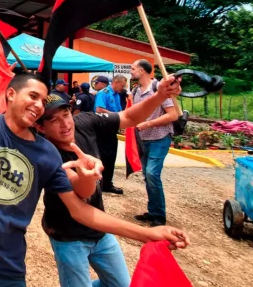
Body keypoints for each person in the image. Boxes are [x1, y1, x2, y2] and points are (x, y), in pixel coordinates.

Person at [0, 0, 188, 286]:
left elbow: (82, 209)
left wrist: (148, 233)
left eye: (43, 101)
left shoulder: (45, 153)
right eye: (32, 95)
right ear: (9, 95)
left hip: (9, 267)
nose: (37, 104)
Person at [38, 80, 184, 286]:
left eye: (66, 114)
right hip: (68, 236)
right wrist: (146, 233)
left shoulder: (85, 122)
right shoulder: (46, 154)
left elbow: (129, 116)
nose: (65, 124)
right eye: (53, 120)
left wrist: (160, 95)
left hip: (100, 232)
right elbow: (81, 203)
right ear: (41, 127)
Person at [130, 59, 179, 227]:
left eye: (133, 68)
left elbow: (173, 115)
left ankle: (159, 217)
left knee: (152, 174)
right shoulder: (136, 91)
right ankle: (152, 212)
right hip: (143, 139)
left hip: (159, 137)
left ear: (142, 71)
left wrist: (148, 123)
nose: (131, 71)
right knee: (147, 176)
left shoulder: (159, 89)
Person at [94, 75, 126, 195]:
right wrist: (116, 117)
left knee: (111, 158)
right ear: (116, 82)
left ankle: (107, 183)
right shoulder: (104, 93)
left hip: (112, 130)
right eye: (122, 85)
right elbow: (99, 109)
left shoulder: (117, 95)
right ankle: (99, 183)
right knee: (102, 157)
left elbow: (118, 112)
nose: (122, 88)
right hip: (102, 130)